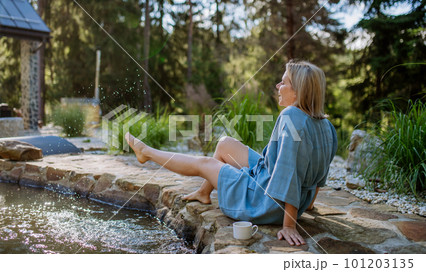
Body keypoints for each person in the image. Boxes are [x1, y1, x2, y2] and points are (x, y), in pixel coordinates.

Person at [125, 60, 337, 246]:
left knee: (204, 164)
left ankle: (146, 152)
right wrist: (306, 204)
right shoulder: (326, 125)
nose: (278, 86)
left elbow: (290, 173)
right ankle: (203, 192)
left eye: (284, 82)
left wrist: (289, 225)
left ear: (298, 92)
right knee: (225, 143)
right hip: (277, 189)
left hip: (264, 201)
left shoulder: (291, 115)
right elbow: (319, 172)